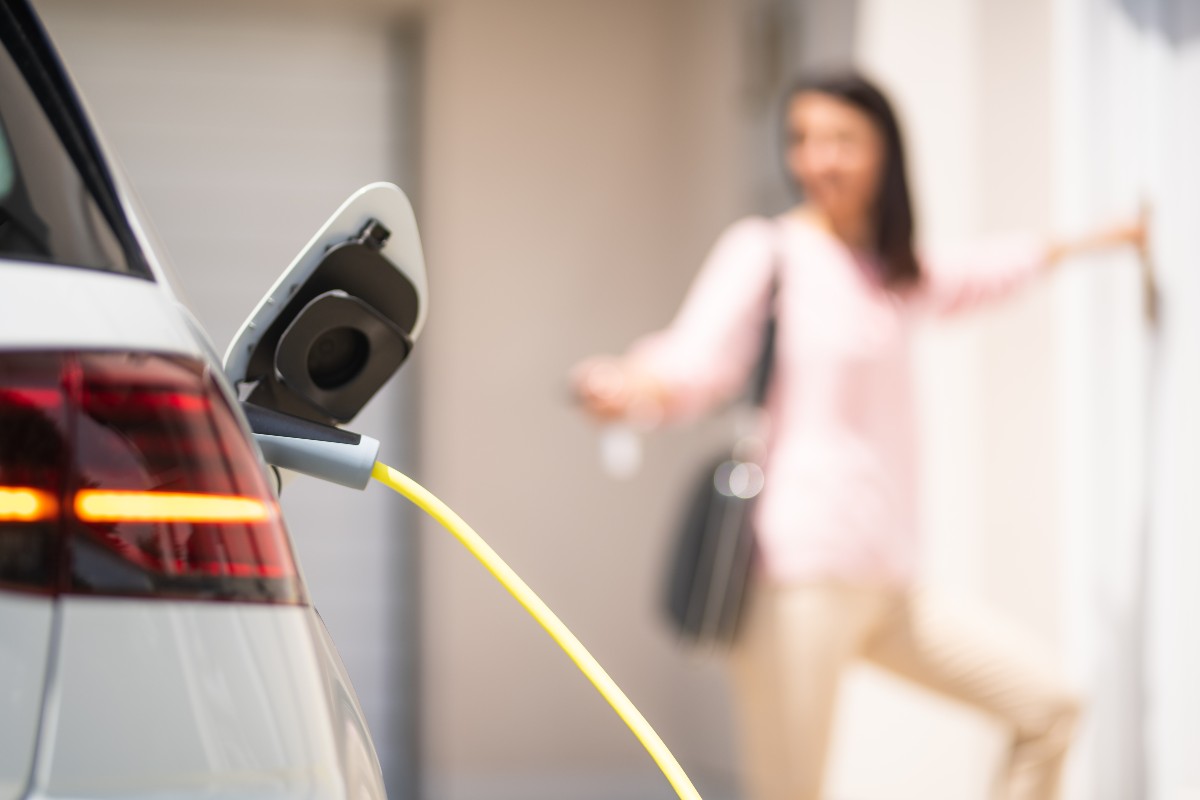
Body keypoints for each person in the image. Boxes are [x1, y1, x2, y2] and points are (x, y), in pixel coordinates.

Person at [571, 72, 1145, 800]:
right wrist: (631, 384)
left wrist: (1108, 239)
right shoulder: (768, 250)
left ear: (885, 155)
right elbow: (696, 359)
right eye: (803, 140)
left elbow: (983, 270)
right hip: (796, 579)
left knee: (1050, 709)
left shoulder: (892, 273)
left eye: (842, 140)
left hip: (890, 582)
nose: (818, 160)